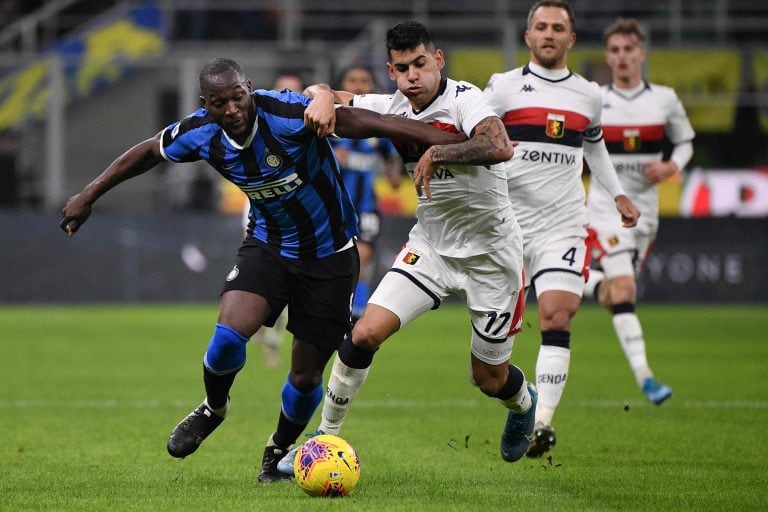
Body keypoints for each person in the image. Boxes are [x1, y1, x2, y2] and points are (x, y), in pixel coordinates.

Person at [59, 57, 467, 483]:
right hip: (268, 247)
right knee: (226, 339)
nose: (232, 109)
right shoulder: (200, 132)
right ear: (206, 104)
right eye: (220, 103)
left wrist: (447, 140)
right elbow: (147, 151)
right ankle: (213, 408)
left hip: (330, 255)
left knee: (305, 375)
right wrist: (89, 195)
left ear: (249, 89)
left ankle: (278, 450)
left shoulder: (289, 114)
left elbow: (371, 123)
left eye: (238, 97)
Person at [277, 20, 537, 476]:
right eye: (402, 68)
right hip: (431, 249)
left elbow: (498, 145)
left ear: (437, 61)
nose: (413, 75)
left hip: (492, 257)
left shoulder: (465, 99)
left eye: (420, 63)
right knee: (363, 334)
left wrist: (437, 153)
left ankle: (523, 403)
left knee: (488, 378)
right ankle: (324, 438)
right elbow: (328, 97)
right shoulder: (390, 105)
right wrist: (320, 95)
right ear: (391, 71)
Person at [482, 0, 640, 458]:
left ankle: (542, 424)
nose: (549, 34)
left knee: (556, 314)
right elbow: (472, 134)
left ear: (570, 39)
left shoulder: (588, 95)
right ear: (528, 36)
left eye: (558, 28)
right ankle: (522, 404)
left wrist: (618, 195)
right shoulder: (503, 88)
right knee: (490, 354)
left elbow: (596, 149)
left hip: (564, 225)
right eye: (541, 27)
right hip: (505, 226)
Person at [583, 18, 694, 405]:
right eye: (614, 50)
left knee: (615, 294)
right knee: (627, 289)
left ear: (641, 54)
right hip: (605, 211)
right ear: (607, 56)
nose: (621, 57)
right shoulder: (595, 98)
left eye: (628, 49)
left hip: (646, 215)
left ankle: (582, 280)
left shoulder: (663, 98)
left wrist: (672, 166)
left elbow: (685, 142)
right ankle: (646, 378)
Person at [330, 65, 403, 322]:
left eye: (364, 80)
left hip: (367, 207)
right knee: (337, 267)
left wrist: (395, 173)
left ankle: (356, 316)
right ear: (341, 84)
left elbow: (390, 152)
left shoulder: (377, 125)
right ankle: (337, 310)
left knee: (360, 260)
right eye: (352, 80)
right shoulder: (330, 121)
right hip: (333, 207)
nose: (359, 85)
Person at [246, 71, 305, 368]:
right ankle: (256, 323)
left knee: (290, 289)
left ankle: (272, 343)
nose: (287, 98)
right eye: (282, 91)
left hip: (300, 224)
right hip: (260, 215)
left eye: (293, 92)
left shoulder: (307, 129)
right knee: (262, 281)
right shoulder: (259, 126)